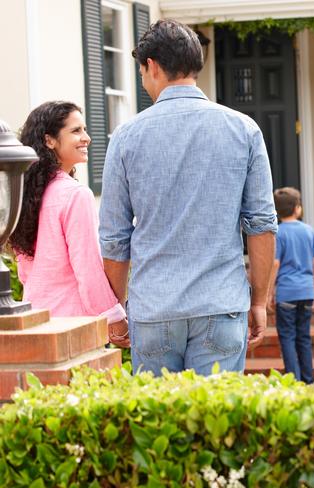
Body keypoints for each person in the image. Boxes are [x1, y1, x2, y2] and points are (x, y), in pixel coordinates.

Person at [99, 19, 277, 377]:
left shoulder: (126, 137)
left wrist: (116, 309)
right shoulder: (244, 129)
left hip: (154, 309)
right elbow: (261, 225)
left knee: (157, 427)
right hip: (221, 303)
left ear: (152, 66)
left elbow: (115, 239)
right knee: (216, 428)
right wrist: (259, 300)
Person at [9, 101, 128, 347]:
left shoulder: (26, 195)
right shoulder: (75, 195)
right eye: (76, 131)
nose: (87, 138)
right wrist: (114, 318)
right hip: (75, 325)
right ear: (50, 140)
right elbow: (88, 268)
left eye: (84, 129)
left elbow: (24, 272)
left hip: (37, 322)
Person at [268, 188, 314, 384]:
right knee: (304, 338)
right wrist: (313, 289)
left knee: (287, 337)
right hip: (306, 291)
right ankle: (308, 380)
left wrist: (268, 292)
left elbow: (275, 264)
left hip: (287, 293)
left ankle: (294, 380)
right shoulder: (309, 231)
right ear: (297, 208)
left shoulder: (278, 233)